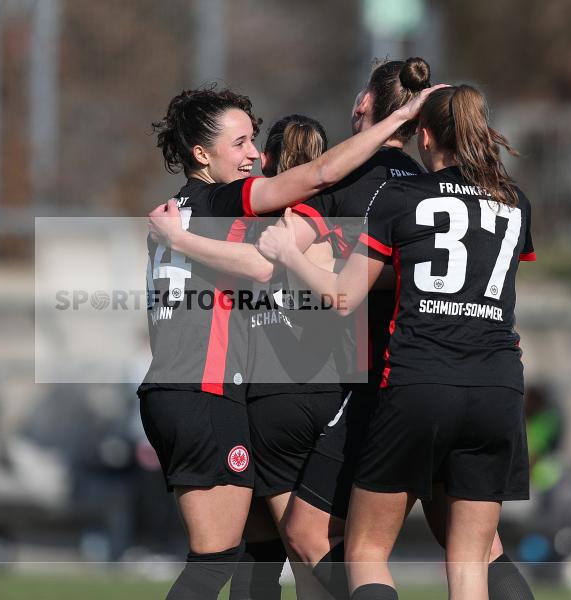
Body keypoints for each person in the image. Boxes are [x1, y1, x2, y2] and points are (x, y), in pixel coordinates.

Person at [140, 83, 440, 600]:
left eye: (255, 142)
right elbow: (319, 175)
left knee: (260, 550)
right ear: (201, 154)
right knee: (219, 560)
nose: (254, 155)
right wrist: (397, 123)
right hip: (207, 393)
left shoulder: (169, 216)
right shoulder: (220, 200)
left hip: (173, 390)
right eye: (239, 144)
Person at [257, 84, 535, 600]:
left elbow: (343, 296)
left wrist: (289, 254)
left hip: (419, 383)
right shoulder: (514, 201)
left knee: (364, 551)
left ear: (424, 135)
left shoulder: (402, 198)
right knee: (471, 559)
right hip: (498, 386)